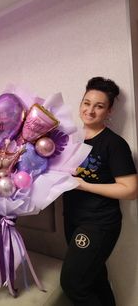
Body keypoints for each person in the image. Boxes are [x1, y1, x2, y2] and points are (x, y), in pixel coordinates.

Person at [60, 77, 137, 306]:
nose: (90, 111)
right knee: (94, 279)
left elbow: (130, 190)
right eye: (86, 103)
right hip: (73, 219)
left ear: (109, 111)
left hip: (99, 224)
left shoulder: (114, 144)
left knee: (73, 284)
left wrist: (84, 184)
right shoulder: (71, 140)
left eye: (99, 106)